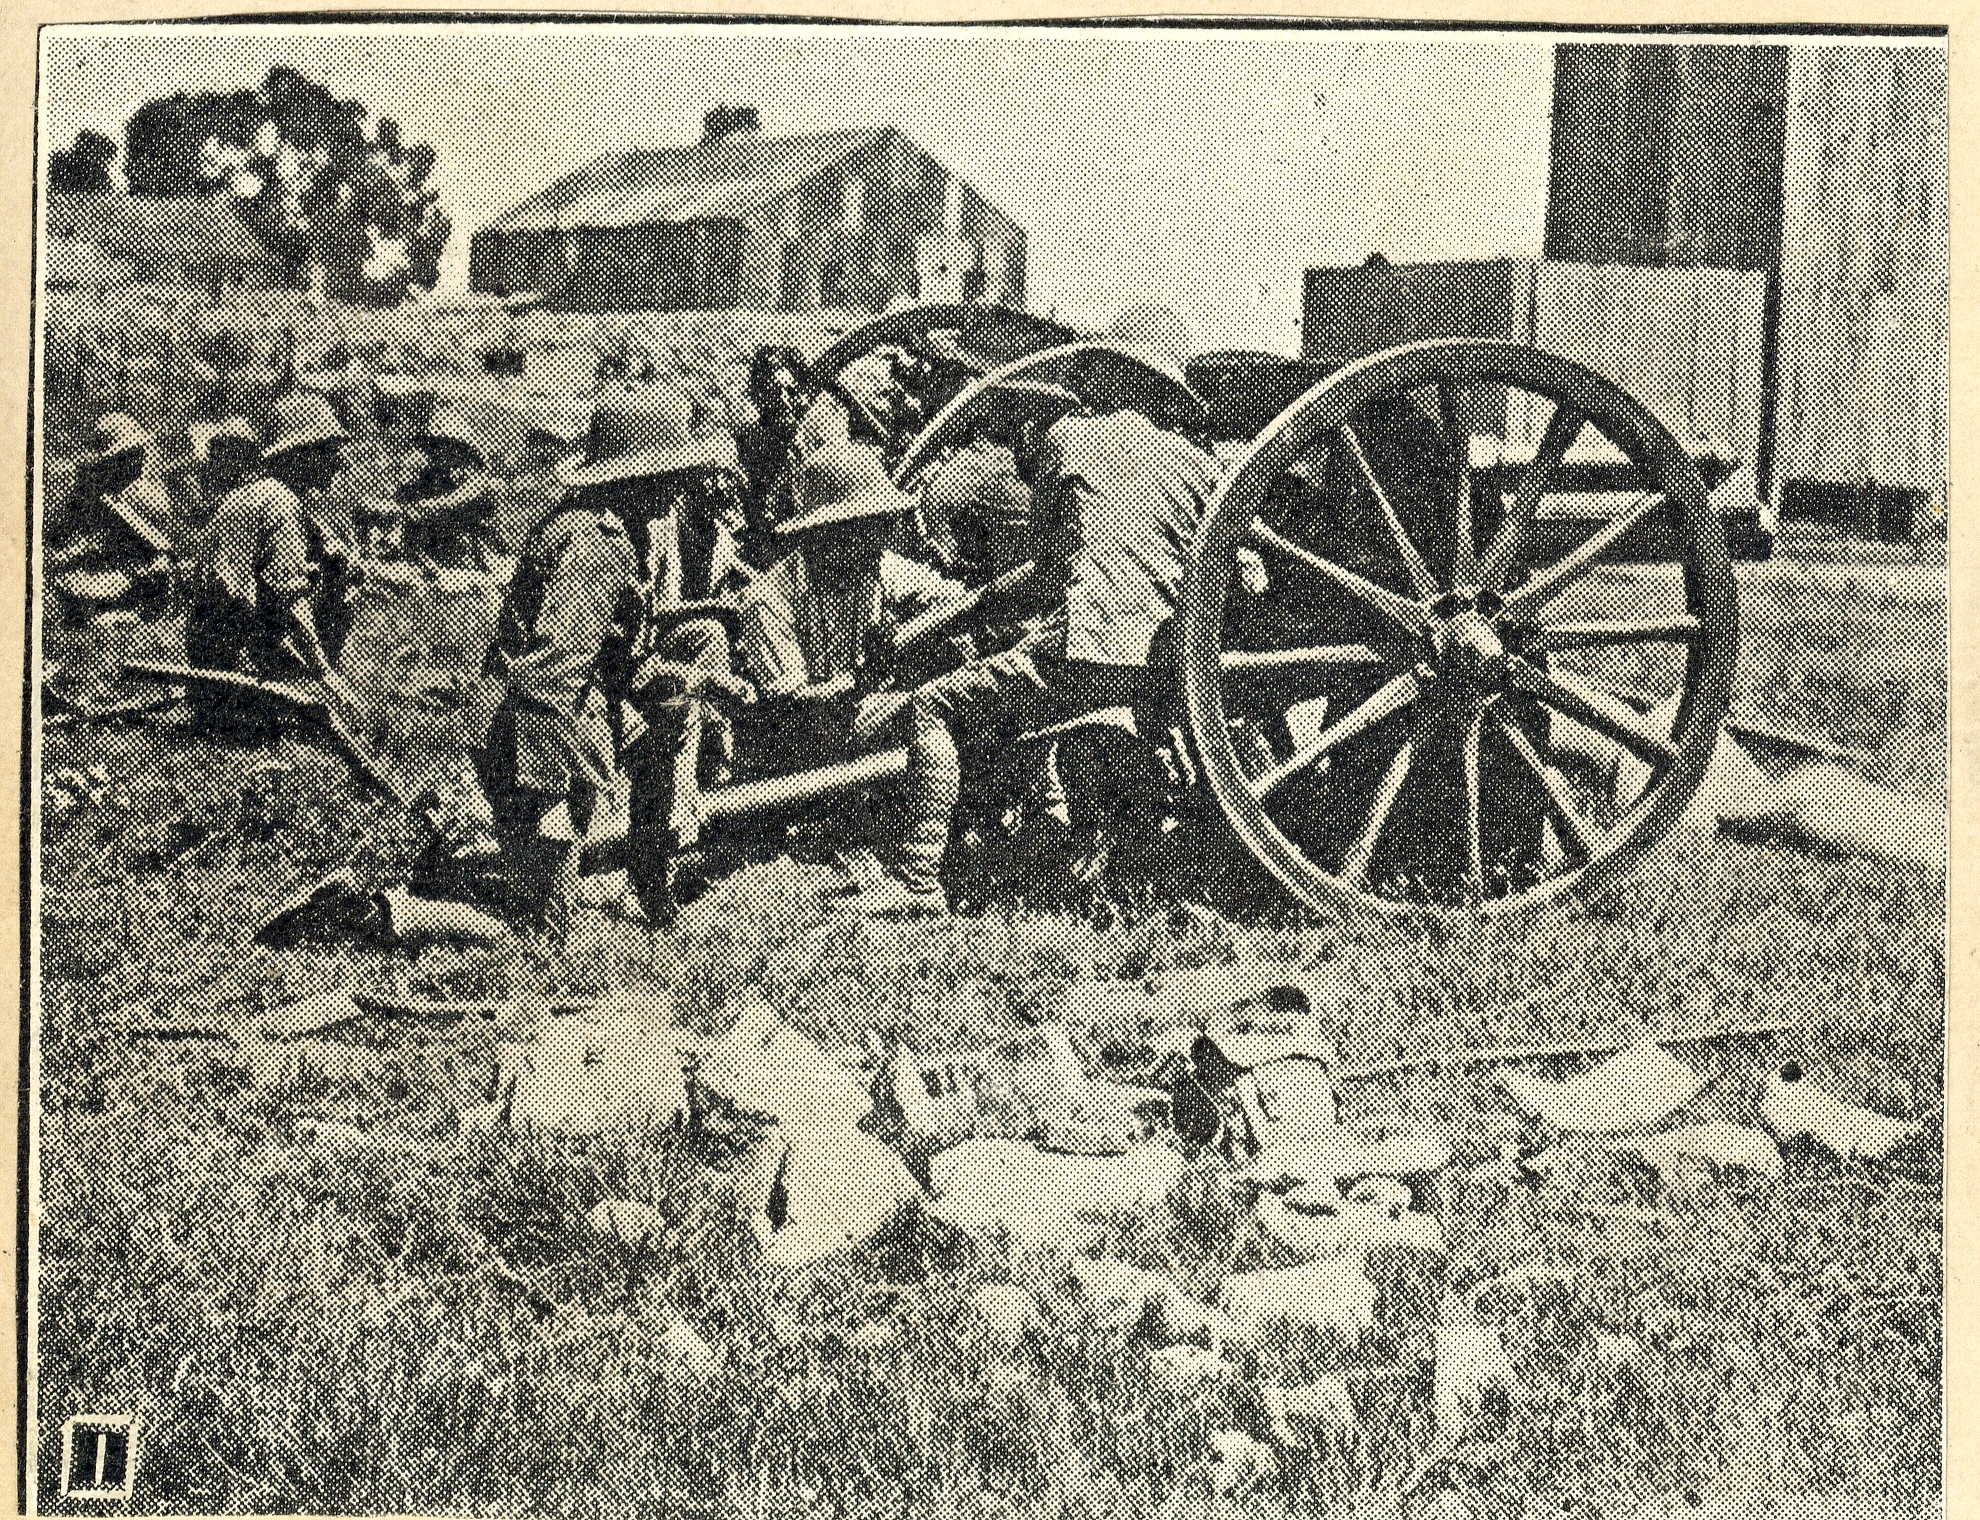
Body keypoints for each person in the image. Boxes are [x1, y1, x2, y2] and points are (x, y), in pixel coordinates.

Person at [843, 306, 1220, 917]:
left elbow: (1046, 577)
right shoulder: (1199, 465)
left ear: (1105, 378)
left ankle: (917, 881)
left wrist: (933, 627)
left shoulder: (1070, 443)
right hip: (1170, 658)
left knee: (934, 707)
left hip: (1085, 651)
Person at [459, 387, 752, 937]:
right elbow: (553, 670)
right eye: (668, 477)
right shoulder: (596, 541)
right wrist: (563, 785)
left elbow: (626, 653)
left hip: (567, 704)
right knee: (539, 921)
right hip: (532, 726)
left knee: (674, 708)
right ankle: (428, 914)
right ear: (635, 479)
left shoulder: (633, 530)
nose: (678, 489)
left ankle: (649, 870)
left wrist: (697, 680)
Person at [736, 441, 969, 767]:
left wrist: (918, 630)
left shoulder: (877, 567)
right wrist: (861, 677)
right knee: (924, 713)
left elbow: (953, 599)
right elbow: (792, 709)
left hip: (867, 716)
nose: (876, 539)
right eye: (861, 527)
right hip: (809, 749)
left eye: (878, 525)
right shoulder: (769, 598)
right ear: (824, 532)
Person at [185, 393, 361, 737]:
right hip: (233, 664)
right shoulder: (280, 505)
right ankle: (285, 697)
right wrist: (326, 675)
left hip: (215, 651)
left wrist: (333, 560)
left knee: (336, 569)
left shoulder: (265, 494)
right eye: (328, 450)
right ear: (304, 455)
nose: (338, 462)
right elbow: (289, 599)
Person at [48, 412, 183, 625]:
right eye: (123, 459)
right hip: (91, 582)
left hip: (134, 587)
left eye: (134, 457)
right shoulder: (86, 496)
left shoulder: (148, 495)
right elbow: (57, 540)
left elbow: (166, 549)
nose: (131, 465)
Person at [394, 405, 510, 575]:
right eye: (436, 446)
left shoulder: (470, 471)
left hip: (461, 536)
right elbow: (403, 496)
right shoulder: (424, 469)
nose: (442, 453)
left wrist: (435, 505)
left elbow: (475, 489)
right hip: (429, 541)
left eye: (449, 447)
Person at [734, 345, 809, 568]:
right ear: (760, 397)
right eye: (775, 393)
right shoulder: (749, 447)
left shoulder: (815, 441)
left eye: (791, 392)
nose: (784, 401)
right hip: (768, 560)